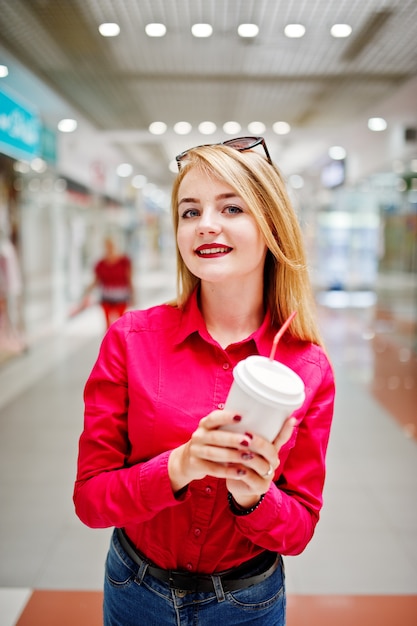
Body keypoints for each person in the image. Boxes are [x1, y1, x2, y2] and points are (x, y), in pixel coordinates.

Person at [73, 136, 335, 625]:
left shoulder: (307, 367)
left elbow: (298, 531)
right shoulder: (131, 339)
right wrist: (179, 466)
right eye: (189, 212)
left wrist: (255, 496)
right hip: (135, 591)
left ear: (272, 225)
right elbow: (90, 500)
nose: (205, 224)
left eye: (231, 207)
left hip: (247, 603)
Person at [83, 237, 133, 329]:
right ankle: (109, 343)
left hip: (121, 297)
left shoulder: (124, 261)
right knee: (107, 326)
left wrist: (133, 295)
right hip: (106, 297)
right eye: (107, 246)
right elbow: (96, 280)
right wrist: (87, 290)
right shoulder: (100, 264)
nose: (109, 248)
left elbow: (129, 279)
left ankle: (119, 343)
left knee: (121, 324)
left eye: (111, 246)